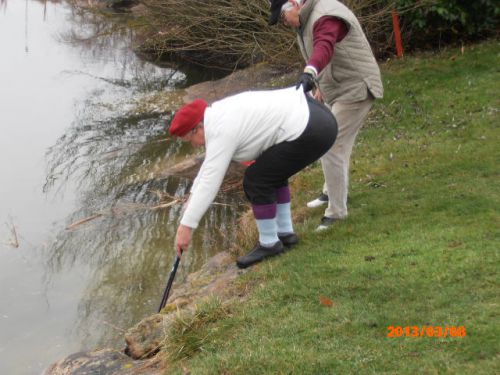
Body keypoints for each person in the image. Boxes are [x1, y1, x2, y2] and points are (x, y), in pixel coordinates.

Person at [169, 86, 337, 268]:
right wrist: (192, 196)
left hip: (312, 127)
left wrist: (186, 227)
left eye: (189, 140)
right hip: (318, 117)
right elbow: (210, 164)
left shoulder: (221, 129)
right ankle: (286, 234)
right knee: (272, 171)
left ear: (198, 128)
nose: (193, 146)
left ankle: (269, 243)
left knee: (256, 179)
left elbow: (210, 181)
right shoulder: (217, 115)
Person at [269, 0, 383, 230]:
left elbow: (325, 47)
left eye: (282, 18)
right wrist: (320, 84)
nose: (285, 24)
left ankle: (337, 213)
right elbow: (331, 55)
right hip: (340, 87)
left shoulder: (324, 16)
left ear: (293, 4)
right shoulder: (308, 18)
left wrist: (310, 73)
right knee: (338, 144)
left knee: (331, 144)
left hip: (357, 88)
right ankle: (330, 192)